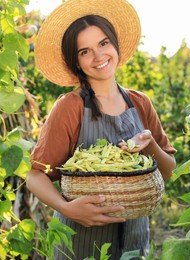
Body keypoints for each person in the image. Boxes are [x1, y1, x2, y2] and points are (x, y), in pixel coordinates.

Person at [26, 0, 177, 258]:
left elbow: (167, 170)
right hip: (80, 244)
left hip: (135, 243)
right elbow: (35, 176)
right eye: (85, 51)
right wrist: (68, 208)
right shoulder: (70, 107)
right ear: (76, 62)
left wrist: (150, 144)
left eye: (103, 43)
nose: (98, 57)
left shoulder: (140, 103)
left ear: (115, 44)